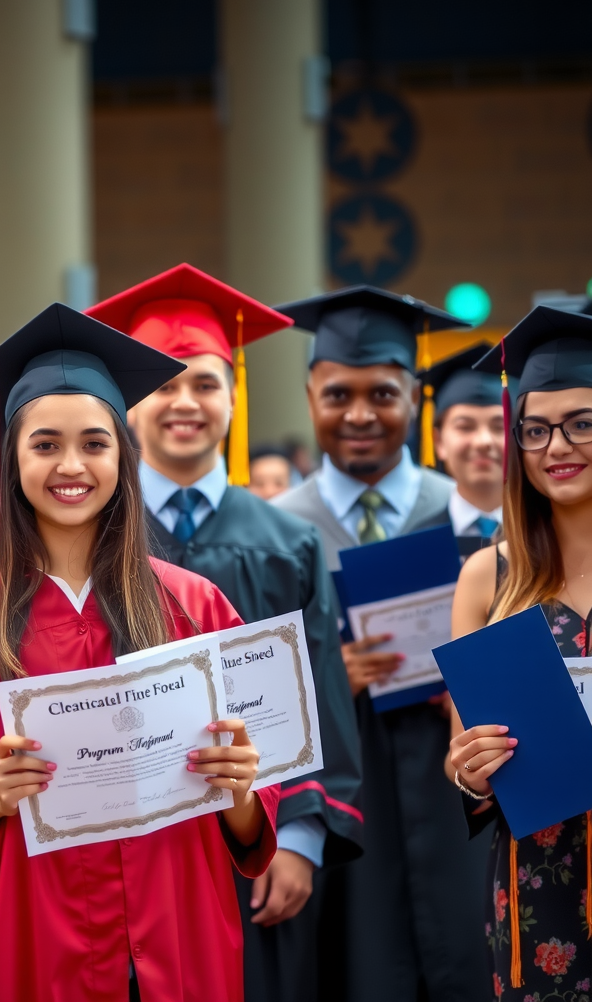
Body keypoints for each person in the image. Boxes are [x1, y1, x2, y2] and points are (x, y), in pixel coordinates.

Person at [0, 302, 281, 1002]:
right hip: (34, 925)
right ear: (9, 457)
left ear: (123, 456)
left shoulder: (194, 604)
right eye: (44, 445)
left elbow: (254, 803)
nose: (72, 466)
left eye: (95, 444)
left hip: (174, 917)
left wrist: (243, 787)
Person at [88, 263, 363, 1002]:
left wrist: (300, 837)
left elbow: (321, 702)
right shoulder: (88, 536)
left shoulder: (286, 540)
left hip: (257, 835)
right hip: (125, 841)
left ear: (234, 397)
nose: (185, 402)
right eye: (165, 384)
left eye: (205, 383)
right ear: (129, 404)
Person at [271, 285, 488, 1002]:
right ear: (310, 396)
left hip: (454, 800)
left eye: (382, 394)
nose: (360, 415)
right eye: (338, 394)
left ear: (414, 397)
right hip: (346, 816)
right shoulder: (273, 531)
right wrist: (327, 677)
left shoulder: (463, 519)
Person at [449, 306, 592, 1000]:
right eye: (535, 429)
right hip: (538, 884)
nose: (557, 445)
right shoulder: (488, 578)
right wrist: (471, 770)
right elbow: (462, 762)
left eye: (583, 422)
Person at [419, 343, 507, 549]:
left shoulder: (551, 538)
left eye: (498, 426)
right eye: (465, 427)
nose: (483, 441)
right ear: (438, 441)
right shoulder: (413, 547)